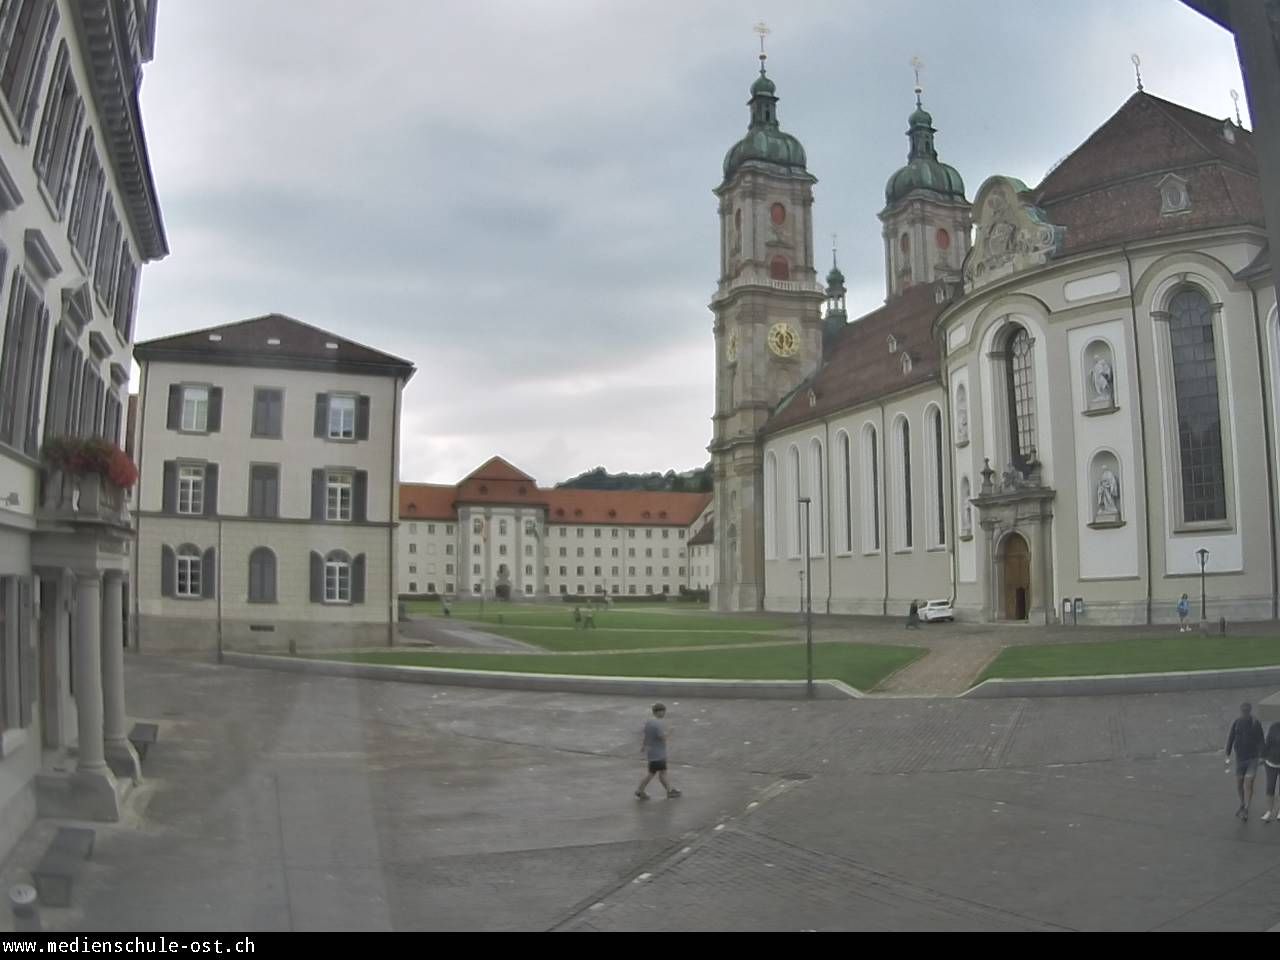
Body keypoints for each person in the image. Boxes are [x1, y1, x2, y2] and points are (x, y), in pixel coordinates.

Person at [1226, 702, 1265, 821]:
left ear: (1249, 711)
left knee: (1249, 784)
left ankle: (1247, 808)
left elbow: (1261, 740)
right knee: (1239, 784)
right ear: (1241, 711)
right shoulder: (1236, 723)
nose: (1244, 713)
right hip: (1240, 758)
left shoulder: (1255, 723)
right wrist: (1227, 754)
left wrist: (1262, 756)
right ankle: (1242, 803)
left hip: (1252, 759)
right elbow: (1231, 738)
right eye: (1243, 711)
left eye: (1246, 711)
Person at [636, 703, 680, 800]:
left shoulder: (649, 722)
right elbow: (662, 738)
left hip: (652, 752)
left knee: (657, 773)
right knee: (657, 773)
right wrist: (670, 732)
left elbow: (646, 736)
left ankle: (669, 790)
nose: (664, 713)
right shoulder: (658, 724)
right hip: (659, 754)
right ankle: (640, 790)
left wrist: (644, 746)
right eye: (663, 711)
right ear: (659, 712)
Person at [1263, 721, 1280, 823]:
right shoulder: (1273, 726)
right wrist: (1263, 755)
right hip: (1271, 762)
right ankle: (1269, 811)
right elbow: (1268, 742)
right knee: (1270, 787)